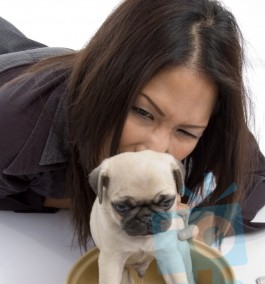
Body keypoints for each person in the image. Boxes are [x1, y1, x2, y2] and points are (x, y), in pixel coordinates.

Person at [0, 0, 265, 250]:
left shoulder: (197, 105)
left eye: (185, 132)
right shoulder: (16, 123)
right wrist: (92, 202)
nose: (156, 148)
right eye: (142, 112)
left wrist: (196, 227)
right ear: (108, 81)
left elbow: (255, 176)